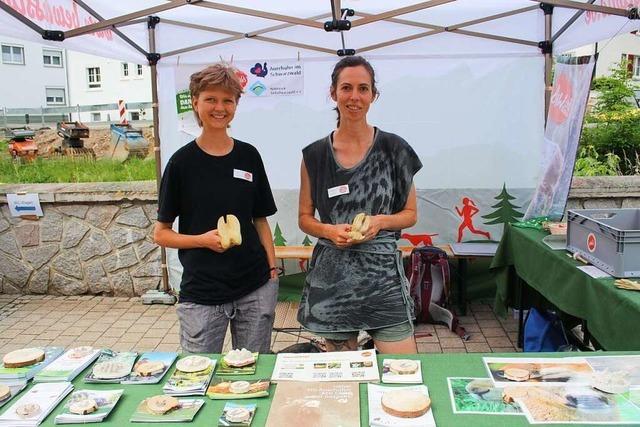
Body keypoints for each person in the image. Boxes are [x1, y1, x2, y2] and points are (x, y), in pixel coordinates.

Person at [297, 56, 422, 353]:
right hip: (333, 279)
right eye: (346, 88)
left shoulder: (395, 149)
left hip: (383, 277)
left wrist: (379, 222)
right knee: (344, 381)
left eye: (363, 89)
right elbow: (304, 217)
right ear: (333, 93)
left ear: (373, 95)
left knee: (402, 372)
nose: (355, 97)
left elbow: (410, 214)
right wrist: (329, 231)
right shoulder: (314, 155)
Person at [154, 63, 278, 354]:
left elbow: (260, 220)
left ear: (235, 105)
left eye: (227, 100)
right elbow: (161, 234)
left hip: (254, 286)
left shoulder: (249, 156)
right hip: (202, 291)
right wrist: (202, 241)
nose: (219, 107)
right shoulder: (181, 164)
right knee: (198, 374)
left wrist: (272, 273)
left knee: (254, 373)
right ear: (195, 103)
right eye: (211, 99)